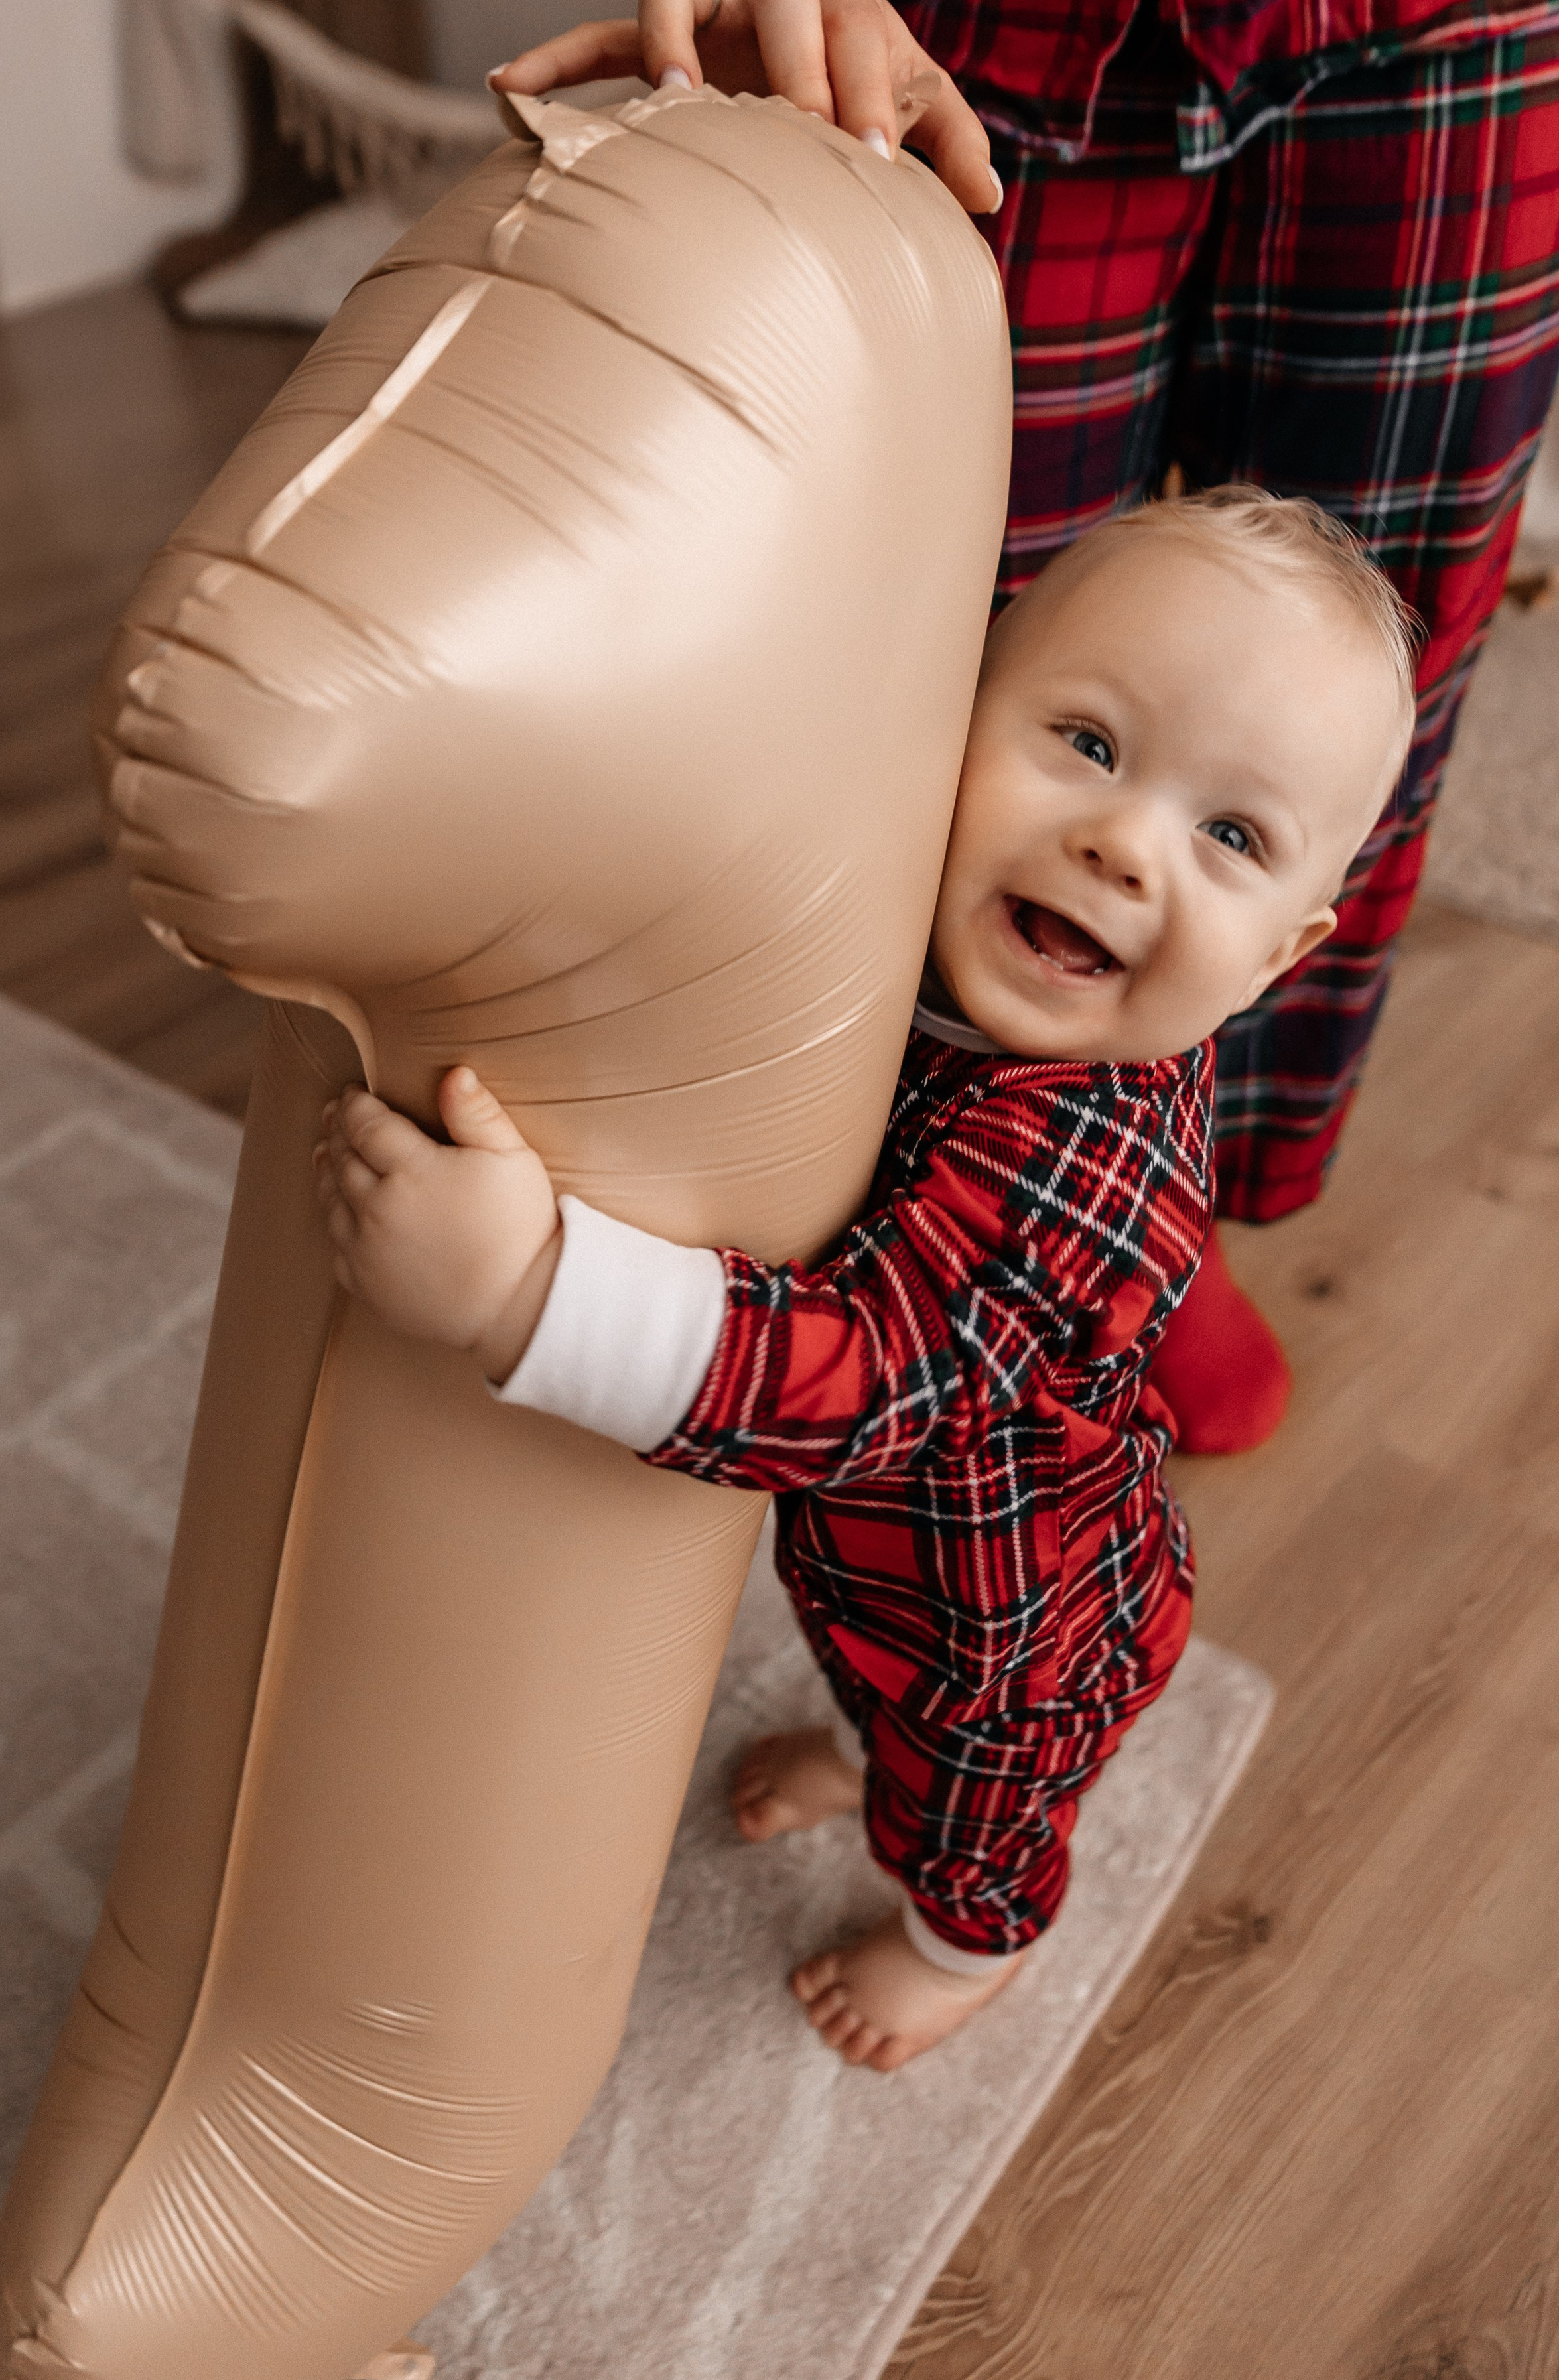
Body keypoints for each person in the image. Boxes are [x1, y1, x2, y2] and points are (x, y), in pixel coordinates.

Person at [313, 489, 1416, 2070]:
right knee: (860, 1685)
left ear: (1272, 960)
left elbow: (859, 1387)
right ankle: (859, 1754)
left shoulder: (1078, 1162)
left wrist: (524, 1292)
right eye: (1086, 743)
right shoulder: (937, 950)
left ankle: (970, 1953)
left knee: (960, 1816)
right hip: (893, 1567)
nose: (1120, 844)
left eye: (1228, 836)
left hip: (1012, 1629)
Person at [490, 0, 1559, 1455]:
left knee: (1344, 693)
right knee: (958, 606)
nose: (1123, 845)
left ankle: (1141, 1204)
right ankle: (873, 1141)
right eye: (1100, 766)